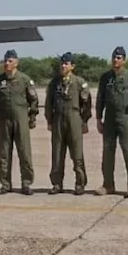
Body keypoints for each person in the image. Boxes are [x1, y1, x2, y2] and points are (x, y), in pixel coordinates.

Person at [94, 46, 128, 197]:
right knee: (107, 152)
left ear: (124, 60)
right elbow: (100, 99)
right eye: (114, 57)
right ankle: (108, 184)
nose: (116, 60)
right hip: (109, 118)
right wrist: (98, 118)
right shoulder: (105, 77)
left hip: (125, 118)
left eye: (119, 58)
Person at [0, 49, 39, 195]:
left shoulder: (24, 80)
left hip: (21, 120)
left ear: (16, 62)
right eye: (5, 60)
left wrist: (32, 117)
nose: (6, 63)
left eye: (10, 61)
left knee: (24, 153)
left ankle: (26, 183)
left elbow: (33, 99)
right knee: (4, 154)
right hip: (4, 121)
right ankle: (5, 184)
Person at [44, 52, 92, 195]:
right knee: (57, 153)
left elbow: (87, 103)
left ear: (72, 66)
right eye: (62, 63)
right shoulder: (54, 83)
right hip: (58, 120)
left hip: (74, 118)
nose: (63, 66)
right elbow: (48, 103)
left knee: (77, 153)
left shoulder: (79, 82)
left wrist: (84, 121)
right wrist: (49, 120)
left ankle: (80, 183)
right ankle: (57, 184)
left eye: (66, 64)